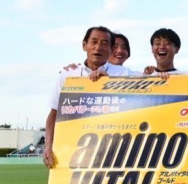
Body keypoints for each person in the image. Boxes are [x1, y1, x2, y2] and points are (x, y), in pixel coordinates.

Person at [43, 26, 130, 168]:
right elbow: (54, 113)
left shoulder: (124, 74)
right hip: (73, 151)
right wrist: (48, 145)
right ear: (84, 45)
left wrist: (110, 83)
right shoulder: (68, 74)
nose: (98, 47)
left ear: (111, 49)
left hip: (112, 151)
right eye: (94, 42)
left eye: (104, 43)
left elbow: (159, 83)